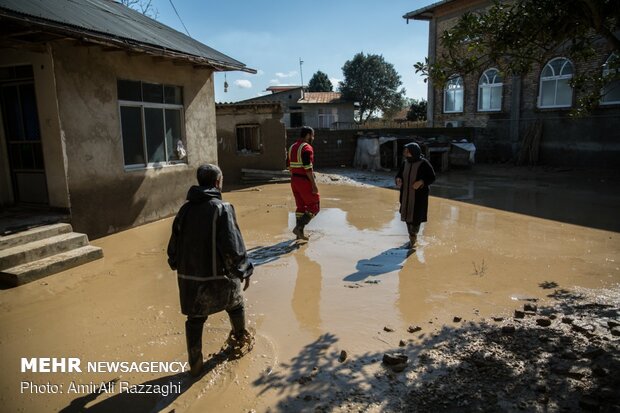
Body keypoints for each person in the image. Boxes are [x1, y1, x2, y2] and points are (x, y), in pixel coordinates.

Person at [167, 164, 254, 377]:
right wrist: (245, 270)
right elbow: (234, 247)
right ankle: (240, 339)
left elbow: (173, 247)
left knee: (195, 320)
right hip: (218, 278)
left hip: (189, 280)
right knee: (236, 305)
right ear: (217, 182)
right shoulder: (222, 208)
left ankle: (195, 365)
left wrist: (175, 263)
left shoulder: (184, 210)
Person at [395, 142, 436, 249]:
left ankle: (414, 236)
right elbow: (399, 174)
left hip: (419, 196)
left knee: (416, 216)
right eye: (405, 151)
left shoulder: (424, 163)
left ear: (413, 152)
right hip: (405, 195)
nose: (405, 153)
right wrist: (398, 179)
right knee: (407, 215)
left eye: (407, 151)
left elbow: (432, 177)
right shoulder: (405, 163)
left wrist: (421, 182)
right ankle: (412, 237)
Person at [287, 126, 320, 240]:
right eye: (312, 135)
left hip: (294, 181)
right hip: (304, 180)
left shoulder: (292, 147)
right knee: (314, 206)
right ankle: (299, 228)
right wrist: (314, 184)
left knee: (301, 207)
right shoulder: (307, 148)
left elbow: (289, 166)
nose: (313, 138)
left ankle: (299, 234)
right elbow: (307, 168)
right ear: (308, 135)